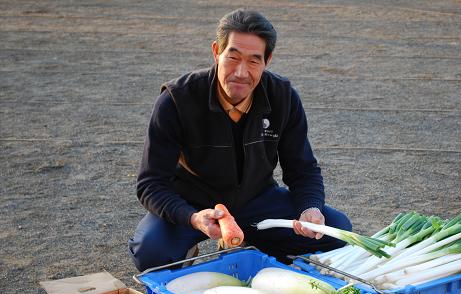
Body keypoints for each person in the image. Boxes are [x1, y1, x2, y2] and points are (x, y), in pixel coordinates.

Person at [128, 9, 352, 271]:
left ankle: (255, 243)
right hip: (193, 204)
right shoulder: (177, 99)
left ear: (267, 60)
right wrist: (192, 218)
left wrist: (309, 208)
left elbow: (303, 170)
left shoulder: (283, 96)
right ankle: (189, 245)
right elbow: (151, 183)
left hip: (256, 199)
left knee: (337, 231)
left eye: (254, 61)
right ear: (216, 52)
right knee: (150, 252)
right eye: (232, 57)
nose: (241, 72)